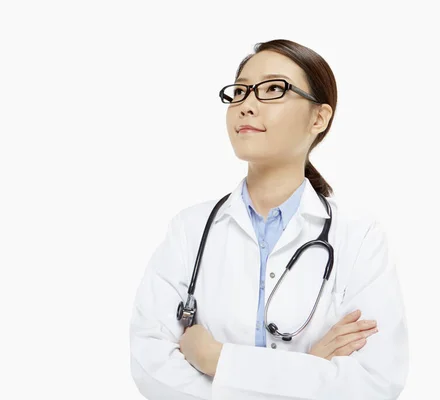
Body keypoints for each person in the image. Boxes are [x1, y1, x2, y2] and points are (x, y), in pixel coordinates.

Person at [128, 39, 409, 400]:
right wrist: (308, 367)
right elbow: (150, 366)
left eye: (274, 89)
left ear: (319, 118)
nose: (246, 105)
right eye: (241, 91)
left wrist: (218, 360)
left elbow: (375, 382)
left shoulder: (360, 236)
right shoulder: (189, 230)